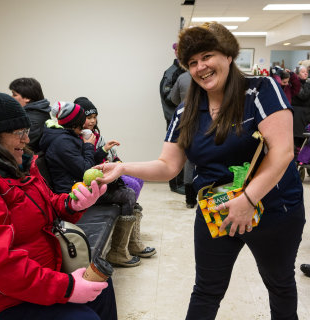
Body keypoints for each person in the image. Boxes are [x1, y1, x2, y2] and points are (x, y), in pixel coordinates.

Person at [95, 22, 305, 319]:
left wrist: (247, 200)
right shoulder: (187, 110)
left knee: (280, 284)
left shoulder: (259, 91)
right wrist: (122, 167)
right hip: (215, 208)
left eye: (207, 56)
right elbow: (168, 166)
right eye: (192, 62)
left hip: (272, 207)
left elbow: (282, 152)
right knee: (207, 289)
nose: (200, 67)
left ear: (228, 55)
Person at [0, 91, 116, 320]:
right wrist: (67, 287)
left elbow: (47, 204)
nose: (26, 139)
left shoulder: (15, 165)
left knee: (101, 287)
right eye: (19, 133)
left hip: (26, 285)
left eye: (26, 132)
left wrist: (73, 204)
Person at [74, 97, 156, 265]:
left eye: (94, 117)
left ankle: (130, 243)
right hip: (92, 184)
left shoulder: (97, 136)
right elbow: (87, 167)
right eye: (88, 117)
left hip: (105, 178)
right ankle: (120, 249)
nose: (92, 121)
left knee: (136, 179)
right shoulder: (78, 139)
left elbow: (112, 158)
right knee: (129, 191)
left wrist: (116, 162)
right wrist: (100, 152)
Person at [160, 42, 186, 194]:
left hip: (185, 117)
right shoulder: (172, 72)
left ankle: (182, 182)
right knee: (175, 150)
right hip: (174, 117)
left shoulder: (184, 70)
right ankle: (176, 184)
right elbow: (167, 96)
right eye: (178, 50)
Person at [170, 72, 197, 208]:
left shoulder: (182, 77)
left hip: (187, 120)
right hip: (210, 121)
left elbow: (173, 98)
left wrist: (184, 100)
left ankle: (190, 200)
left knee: (189, 160)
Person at [9, 77, 51, 153]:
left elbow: (20, 146)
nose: (11, 97)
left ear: (27, 98)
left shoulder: (31, 120)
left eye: (14, 95)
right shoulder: (38, 113)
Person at [291, 65, 310, 153]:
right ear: (297, 74)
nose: (306, 73)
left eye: (306, 71)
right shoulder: (295, 84)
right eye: (303, 72)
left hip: (306, 114)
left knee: (305, 139)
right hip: (298, 115)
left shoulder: (307, 83)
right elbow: (303, 96)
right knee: (296, 139)